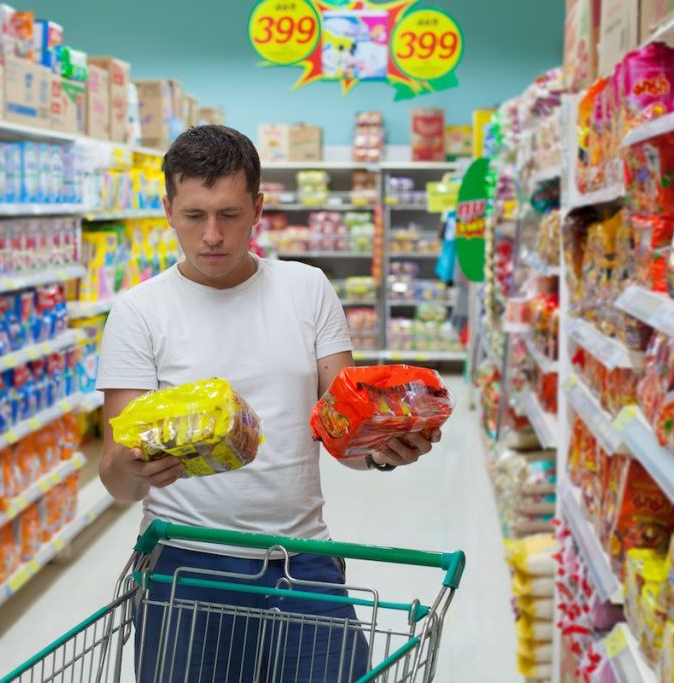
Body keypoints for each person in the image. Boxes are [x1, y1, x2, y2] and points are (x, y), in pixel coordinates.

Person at [96, 125, 442, 682]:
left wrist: (381, 448)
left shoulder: (307, 290)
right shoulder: (140, 312)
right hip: (184, 564)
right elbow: (116, 480)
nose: (212, 235)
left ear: (257, 207)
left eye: (230, 215)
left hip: (300, 559)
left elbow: (342, 436)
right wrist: (138, 468)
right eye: (194, 215)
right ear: (167, 209)